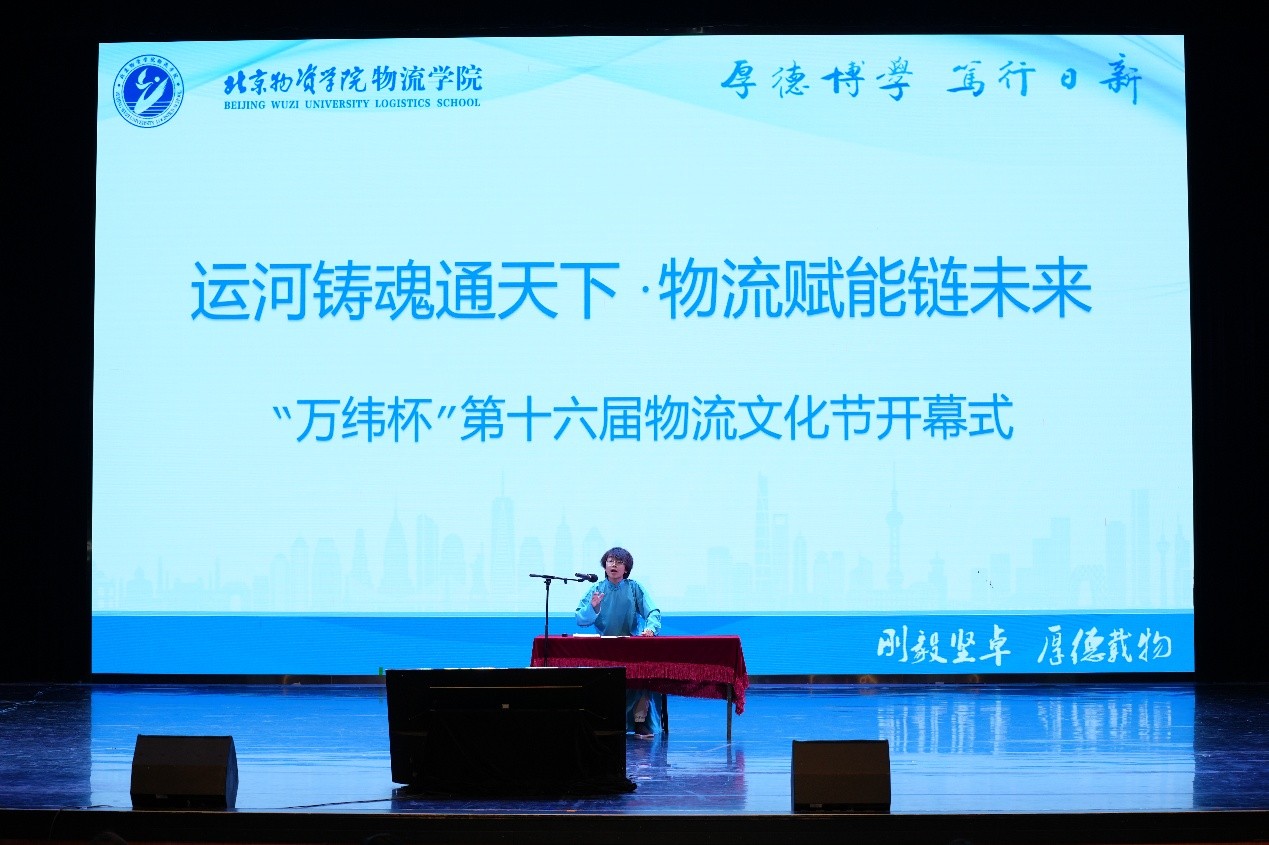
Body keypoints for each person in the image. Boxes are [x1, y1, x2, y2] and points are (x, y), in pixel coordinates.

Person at [575, 546, 662, 737]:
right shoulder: (596, 589)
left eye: (619, 562)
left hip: (631, 647)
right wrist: (593, 608)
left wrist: (651, 628)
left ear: (626, 568)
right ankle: (602, 720)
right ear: (604, 565)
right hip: (603, 649)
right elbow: (581, 619)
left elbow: (653, 612)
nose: (614, 565)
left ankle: (640, 722)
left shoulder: (634, 588)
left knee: (642, 676)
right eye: (610, 561)